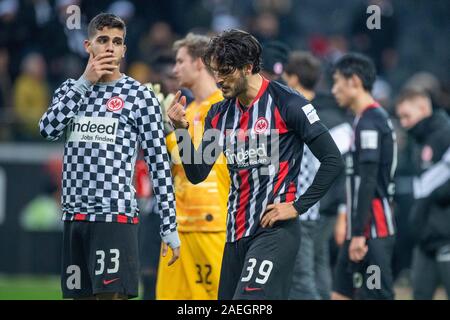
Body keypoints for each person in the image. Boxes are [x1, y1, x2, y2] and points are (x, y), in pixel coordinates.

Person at [167, 29, 344, 300]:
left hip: (274, 232)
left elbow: (333, 160)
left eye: (225, 71)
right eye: (215, 71)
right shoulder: (219, 113)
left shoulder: (289, 103)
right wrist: (181, 131)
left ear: (248, 67)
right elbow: (197, 172)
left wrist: (297, 206)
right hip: (235, 234)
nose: (218, 80)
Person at [38, 13, 179, 300]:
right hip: (75, 217)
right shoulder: (70, 90)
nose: (110, 47)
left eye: (117, 41)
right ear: (89, 46)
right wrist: (84, 82)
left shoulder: (140, 96)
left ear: (124, 49)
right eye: (103, 40)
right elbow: (47, 129)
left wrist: (169, 225)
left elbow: (158, 163)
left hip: (115, 216)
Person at [156, 33, 229, 300]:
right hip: (177, 226)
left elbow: (201, 166)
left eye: (180, 61)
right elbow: (173, 165)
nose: (174, 70)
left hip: (213, 224)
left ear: (199, 63)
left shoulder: (224, 108)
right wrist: (160, 127)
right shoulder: (183, 110)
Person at [284, 51, 352, 300]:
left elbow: (342, 167)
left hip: (319, 205)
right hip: (322, 206)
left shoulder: (318, 116)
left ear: (293, 78)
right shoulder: (333, 114)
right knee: (318, 268)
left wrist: (342, 211)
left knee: (303, 276)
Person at [331, 53, 397, 300]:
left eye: (337, 81)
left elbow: (368, 179)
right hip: (359, 224)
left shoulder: (371, 120)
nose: (334, 89)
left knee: (377, 295)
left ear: (354, 81)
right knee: (340, 293)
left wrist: (359, 232)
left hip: (373, 227)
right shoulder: (363, 119)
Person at [395, 88, 450, 299]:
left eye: (407, 116)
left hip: (446, 238)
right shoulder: (418, 142)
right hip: (425, 240)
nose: (404, 122)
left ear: (423, 108)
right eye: (400, 117)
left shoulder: (445, 134)